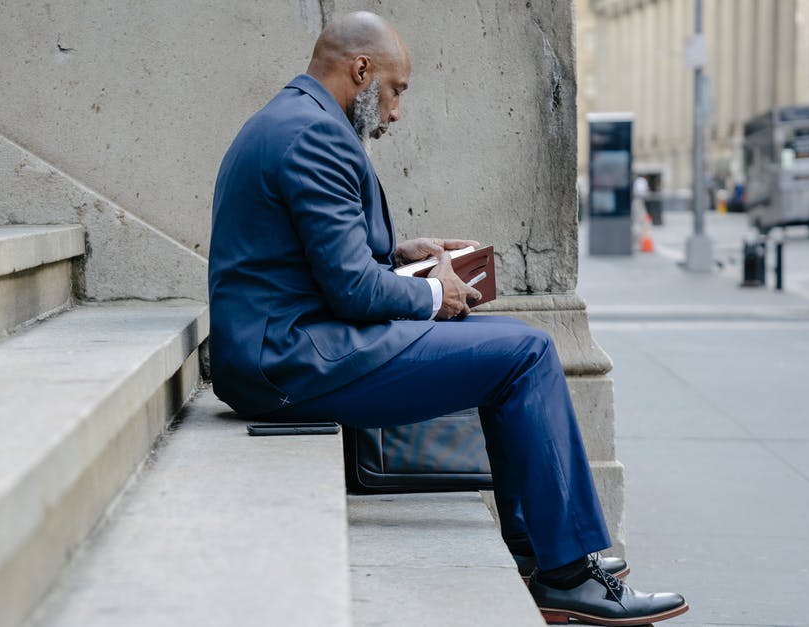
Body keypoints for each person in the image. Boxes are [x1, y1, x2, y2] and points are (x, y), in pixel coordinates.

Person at [208, 11, 688, 626]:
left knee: (520, 344)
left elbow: (323, 262)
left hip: (288, 344)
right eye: (395, 90)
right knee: (527, 355)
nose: (396, 112)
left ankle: (541, 549)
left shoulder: (291, 118)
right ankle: (566, 572)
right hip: (290, 362)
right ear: (361, 70)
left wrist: (397, 255)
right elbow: (352, 290)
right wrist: (438, 296)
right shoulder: (314, 136)